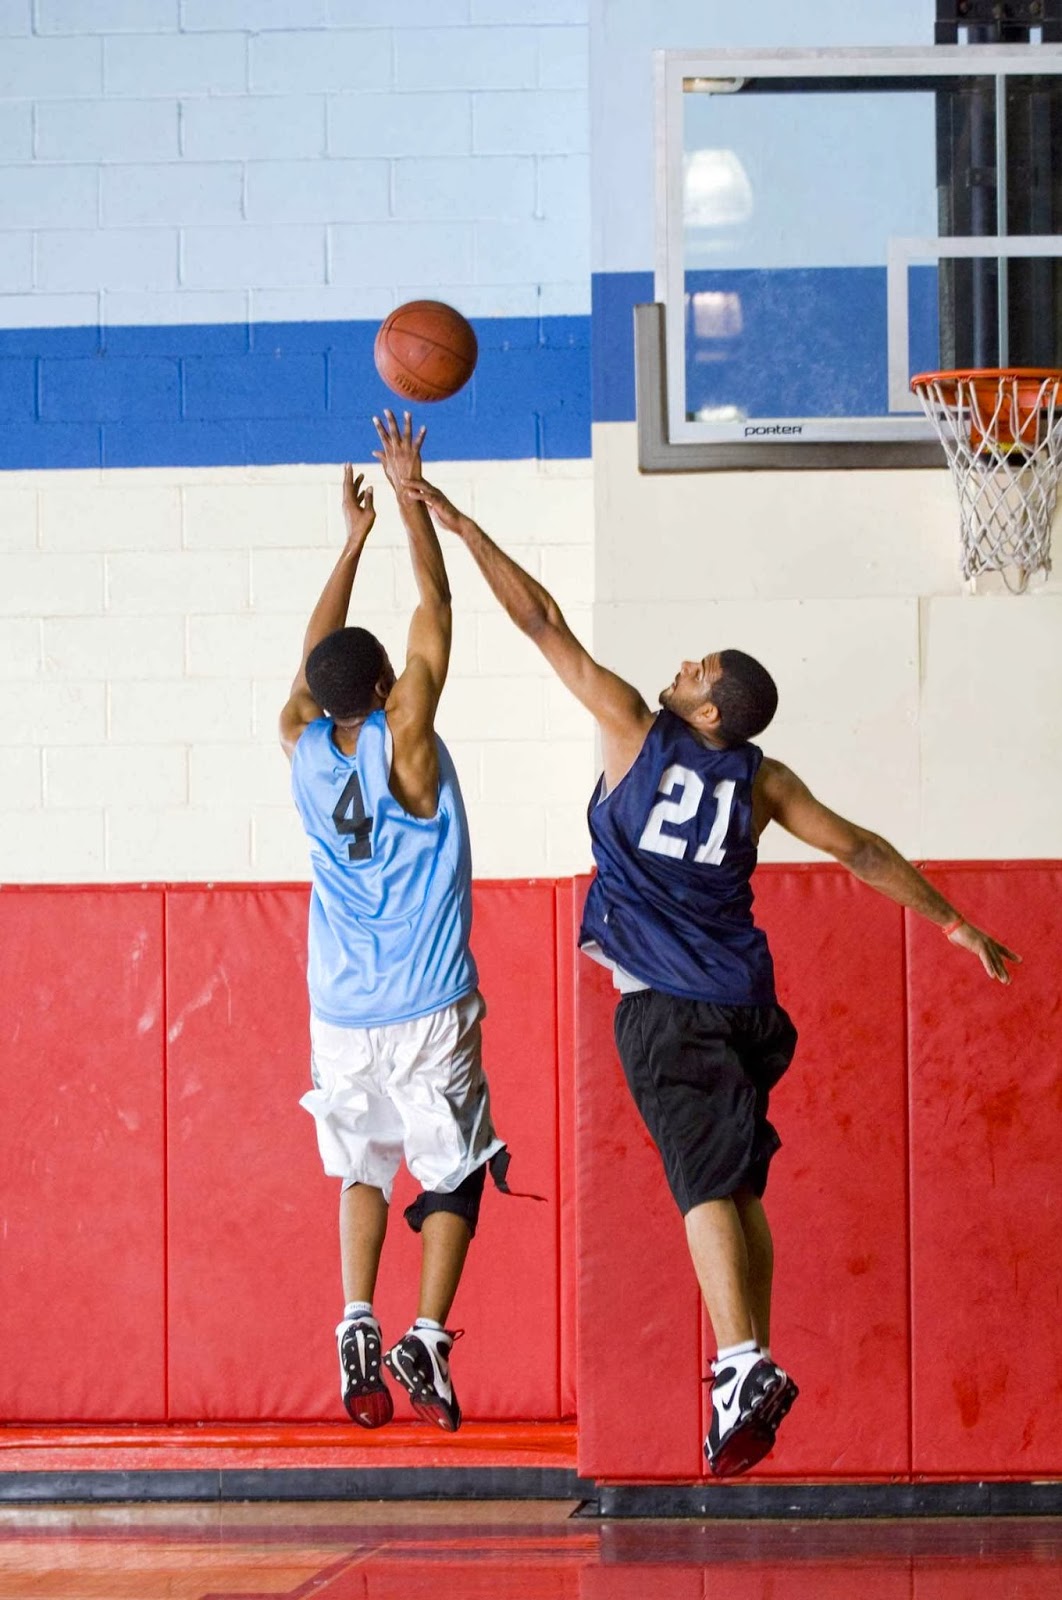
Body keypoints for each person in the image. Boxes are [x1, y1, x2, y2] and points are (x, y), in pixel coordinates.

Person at [402, 474, 1021, 1478]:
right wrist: (952, 920)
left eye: (699, 667)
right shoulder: (766, 780)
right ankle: (754, 1358)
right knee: (736, 1184)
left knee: (700, 1186)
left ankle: (739, 1360)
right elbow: (860, 849)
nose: (682, 664)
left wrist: (463, 524)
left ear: (708, 707)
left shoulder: (632, 729)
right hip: (744, 1007)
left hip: (670, 1012)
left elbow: (539, 618)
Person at [278, 412, 506, 1434]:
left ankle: (355, 1315)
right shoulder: (407, 740)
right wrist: (409, 497)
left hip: (342, 1007)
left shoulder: (301, 747)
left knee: (362, 1166)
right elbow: (439, 604)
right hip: (426, 1002)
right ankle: (424, 1331)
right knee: (454, 1169)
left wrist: (348, 541)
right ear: (385, 689)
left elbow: (307, 669)